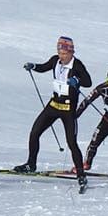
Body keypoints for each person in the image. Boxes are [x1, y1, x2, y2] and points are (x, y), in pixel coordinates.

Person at [16, 37, 92, 188]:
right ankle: (31, 164)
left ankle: (81, 174)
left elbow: (88, 82)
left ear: (71, 52)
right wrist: (33, 66)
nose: (61, 56)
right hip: (54, 105)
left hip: (68, 109)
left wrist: (77, 80)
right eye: (59, 52)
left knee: (71, 143)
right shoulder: (55, 60)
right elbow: (44, 67)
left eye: (64, 53)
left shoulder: (77, 65)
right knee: (35, 132)